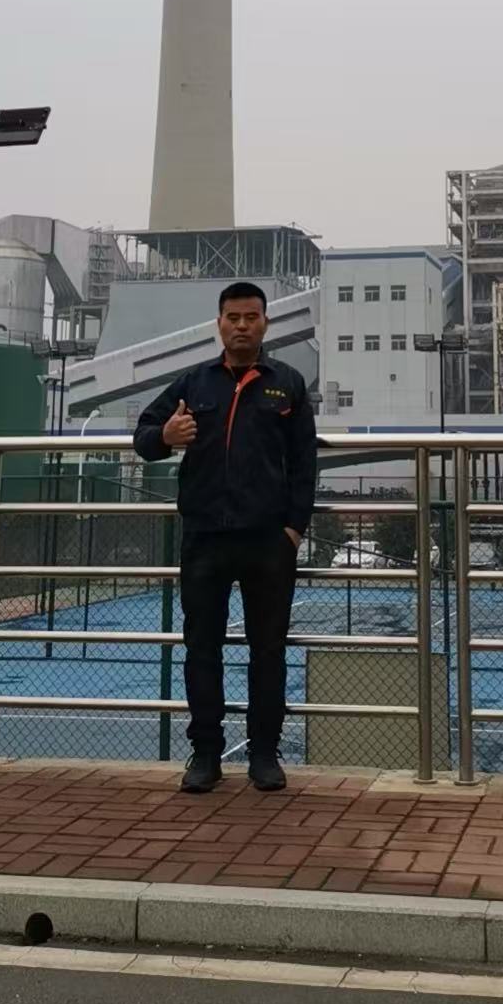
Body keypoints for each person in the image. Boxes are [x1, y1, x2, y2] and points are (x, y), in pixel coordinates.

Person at [133, 281, 318, 794]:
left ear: (265, 323)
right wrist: (165, 437)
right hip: (205, 538)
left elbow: (305, 462)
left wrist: (293, 528)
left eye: (251, 317)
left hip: (268, 541)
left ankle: (264, 754)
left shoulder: (287, 384)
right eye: (233, 317)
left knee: (268, 651)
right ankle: (205, 754)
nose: (242, 326)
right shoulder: (194, 383)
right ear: (218, 323)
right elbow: (143, 436)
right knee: (202, 650)